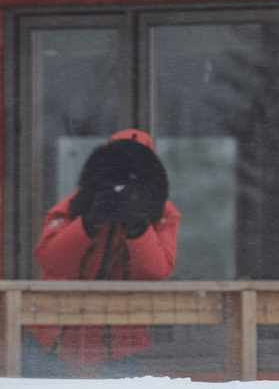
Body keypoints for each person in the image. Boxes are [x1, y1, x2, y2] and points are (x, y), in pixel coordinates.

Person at [24, 129, 179, 378]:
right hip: (53, 333)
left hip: (119, 341)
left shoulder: (162, 212)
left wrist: (137, 225)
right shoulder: (74, 205)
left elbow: (157, 271)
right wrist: (89, 221)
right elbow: (52, 262)